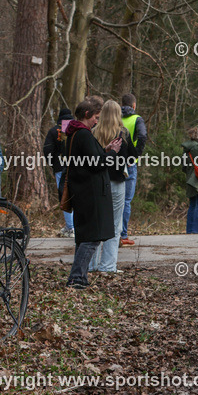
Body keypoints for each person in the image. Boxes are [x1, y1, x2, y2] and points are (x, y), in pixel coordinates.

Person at [64, 97, 121, 289]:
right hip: (91, 193)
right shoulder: (84, 135)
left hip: (81, 192)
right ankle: (76, 277)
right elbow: (97, 164)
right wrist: (112, 153)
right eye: (95, 117)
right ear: (87, 115)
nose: (97, 121)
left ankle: (80, 277)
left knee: (85, 237)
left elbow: (89, 159)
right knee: (91, 237)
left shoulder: (73, 134)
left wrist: (104, 150)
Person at [89, 100, 138, 274]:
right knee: (115, 225)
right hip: (116, 182)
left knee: (96, 223)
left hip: (97, 182)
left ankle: (91, 265)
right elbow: (132, 155)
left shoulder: (94, 132)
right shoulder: (122, 133)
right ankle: (108, 265)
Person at [119, 94, 148, 247]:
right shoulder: (137, 119)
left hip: (113, 161)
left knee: (114, 199)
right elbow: (143, 136)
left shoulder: (114, 118)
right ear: (134, 105)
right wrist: (136, 153)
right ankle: (123, 234)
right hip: (130, 163)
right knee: (126, 201)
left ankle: (113, 233)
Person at [43, 107, 75, 237]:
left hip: (60, 168)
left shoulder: (53, 131)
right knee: (76, 195)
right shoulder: (77, 129)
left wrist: (53, 164)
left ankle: (70, 227)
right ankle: (76, 226)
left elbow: (47, 151)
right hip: (76, 166)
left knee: (65, 197)